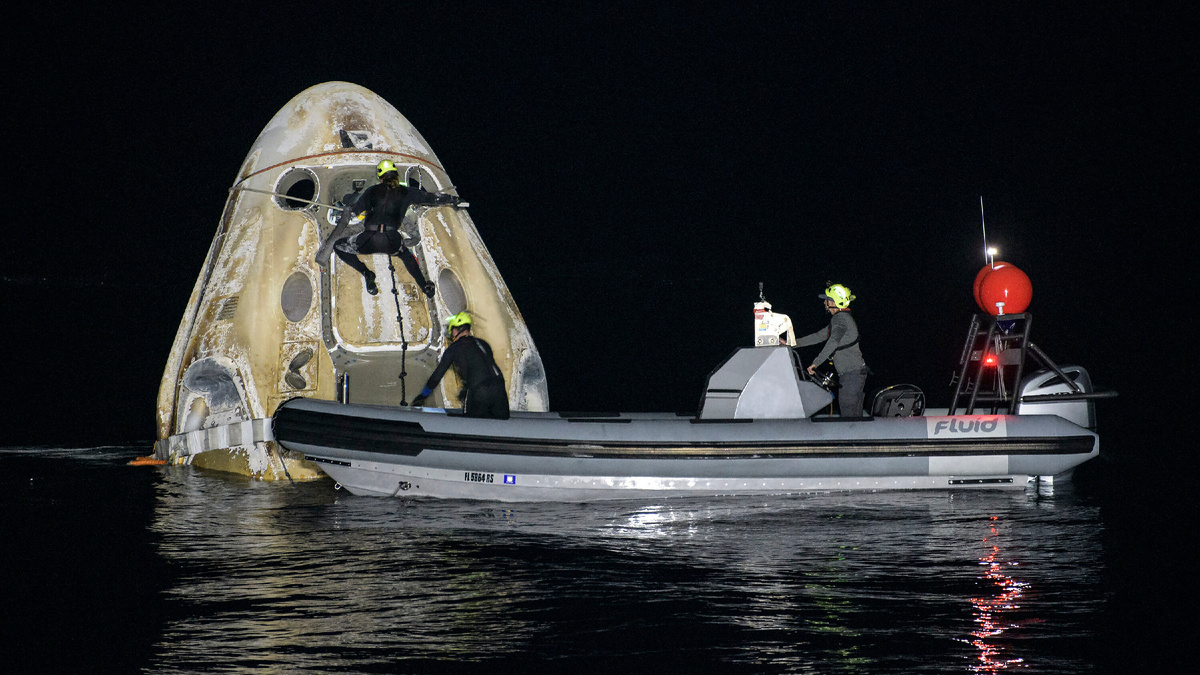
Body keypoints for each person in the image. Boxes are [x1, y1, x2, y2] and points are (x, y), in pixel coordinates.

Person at [333, 160, 460, 296]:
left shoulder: (371, 191)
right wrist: (453, 199)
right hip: (391, 241)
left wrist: (346, 209)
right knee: (405, 255)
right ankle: (425, 286)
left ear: (380, 178)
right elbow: (432, 198)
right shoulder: (408, 192)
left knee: (339, 246)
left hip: (367, 240)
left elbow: (355, 211)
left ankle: (367, 273)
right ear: (396, 175)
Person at [411, 312, 510, 419]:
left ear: (455, 330)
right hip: (499, 388)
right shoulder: (483, 344)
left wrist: (423, 395)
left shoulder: (454, 348)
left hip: (479, 390)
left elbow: (437, 375)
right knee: (500, 422)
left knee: (471, 423)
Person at [795, 283, 869, 417]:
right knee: (854, 414)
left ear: (834, 302)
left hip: (852, 375)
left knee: (849, 413)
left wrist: (816, 363)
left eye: (827, 299)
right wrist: (791, 344)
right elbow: (818, 336)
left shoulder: (840, 318)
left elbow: (833, 341)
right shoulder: (840, 319)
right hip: (854, 374)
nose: (824, 302)